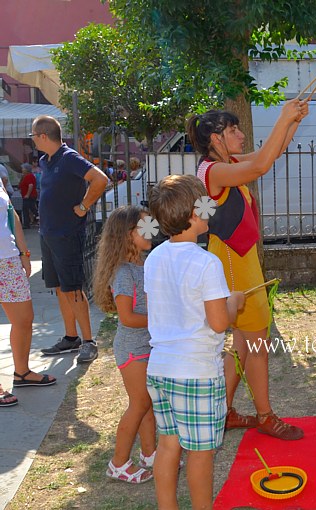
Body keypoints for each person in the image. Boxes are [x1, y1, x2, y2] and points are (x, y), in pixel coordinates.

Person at [188, 100, 308, 437]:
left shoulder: (223, 163)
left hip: (238, 260)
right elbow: (260, 168)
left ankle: (223, 411)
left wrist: (292, 122)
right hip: (233, 264)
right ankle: (266, 415)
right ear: (215, 138)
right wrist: (283, 117)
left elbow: (270, 154)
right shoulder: (214, 171)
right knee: (257, 345)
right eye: (232, 131)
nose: (241, 135)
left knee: (242, 343)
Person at [144, 174, 245, 509]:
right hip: (197, 373)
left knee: (168, 444)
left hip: (160, 370)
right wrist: (234, 301)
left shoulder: (154, 258)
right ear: (192, 214)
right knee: (201, 454)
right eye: (204, 203)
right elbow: (219, 322)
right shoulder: (206, 262)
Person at [31, 115, 109, 363]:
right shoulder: (46, 160)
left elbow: (100, 179)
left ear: (44, 136)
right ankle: (70, 337)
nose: (32, 140)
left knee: (73, 287)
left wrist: (84, 206)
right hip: (49, 234)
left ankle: (88, 341)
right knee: (60, 287)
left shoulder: (69, 157)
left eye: (33, 136)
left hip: (67, 233)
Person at [93, 206, 155, 483]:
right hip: (133, 349)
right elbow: (128, 318)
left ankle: (150, 453)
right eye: (144, 227)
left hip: (147, 346)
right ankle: (118, 463)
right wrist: (160, 321)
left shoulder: (144, 264)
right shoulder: (123, 273)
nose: (151, 230)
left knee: (148, 402)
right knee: (139, 403)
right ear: (129, 235)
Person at [1, 179, 56, 407]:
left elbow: (11, 213)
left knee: (24, 319)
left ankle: (22, 373)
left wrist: (23, 252)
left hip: (8, 259)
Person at [19, 163, 38, 229]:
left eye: (23, 168)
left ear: (27, 169)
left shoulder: (29, 176)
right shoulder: (26, 176)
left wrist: (27, 194)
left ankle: (28, 224)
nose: (22, 169)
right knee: (27, 209)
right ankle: (27, 224)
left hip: (29, 196)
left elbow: (31, 185)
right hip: (28, 196)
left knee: (31, 209)